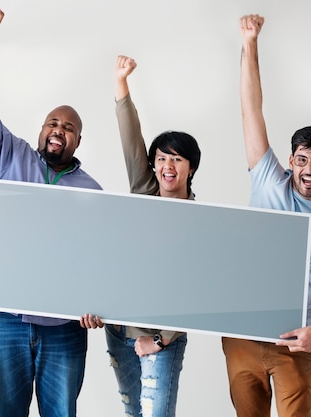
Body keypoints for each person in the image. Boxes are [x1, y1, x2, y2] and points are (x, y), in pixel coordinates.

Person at [0, 5, 103, 417]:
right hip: (3, 321)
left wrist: (98, 301)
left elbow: (101, 258)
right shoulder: (8, 157)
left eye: (69, 127)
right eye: (52, 122)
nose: (58, 128)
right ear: (41, 130)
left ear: (78, 141)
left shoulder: (92, 191)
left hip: (64, 330)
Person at [221, 15, 311, 417]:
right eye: (301, 159)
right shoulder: (267, 181)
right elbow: (250, 108)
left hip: (294, 343)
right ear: (290, 160)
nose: (309, 169)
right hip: (241, 336)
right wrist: (250, 42)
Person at [105, 55, 200, 417]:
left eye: (176, 160)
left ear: (191, 167)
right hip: (119, 331)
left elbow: (199, 291)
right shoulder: (144, 192)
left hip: (161, 338)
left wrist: (160, 340)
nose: (167, 166)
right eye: (161, 159)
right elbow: (131, 140)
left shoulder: (201, 220)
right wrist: (121, 82)